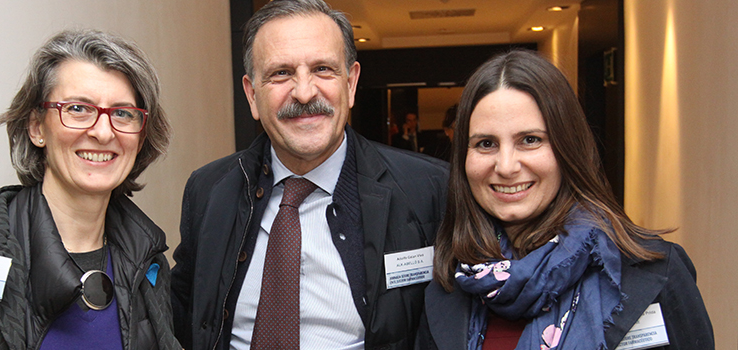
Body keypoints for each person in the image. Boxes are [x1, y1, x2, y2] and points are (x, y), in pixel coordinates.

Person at [170, 0, 449, 349]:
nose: (304, 92)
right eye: (281, 73)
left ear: (351, 83)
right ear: (252, 95)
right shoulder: (209, 190)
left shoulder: (430, 191)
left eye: (322, 69)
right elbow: (180, 314)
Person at [0, 29, 181, 350]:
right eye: (78, 109)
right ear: (37, 127)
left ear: (140, 138)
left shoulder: (148, 260)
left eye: (123, 113)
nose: (102, 131)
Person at [416, 49, 714, 350]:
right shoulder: (450, 284)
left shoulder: (651, 273)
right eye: (486, 143)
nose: (506, 166)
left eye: (530, 140)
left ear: (566, 147)